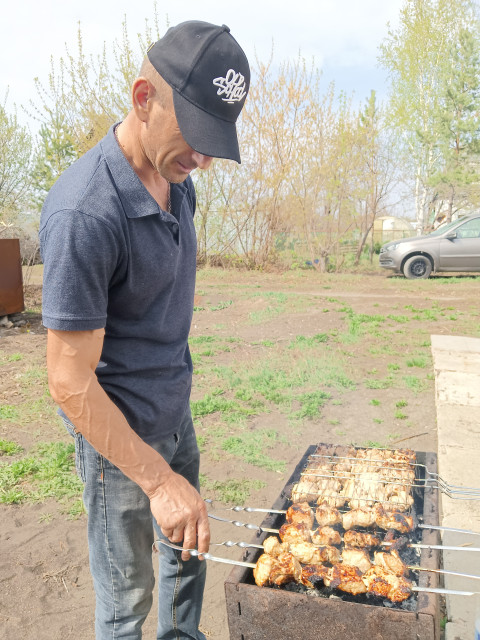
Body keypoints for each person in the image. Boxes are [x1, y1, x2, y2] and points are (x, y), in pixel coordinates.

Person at [39, 20, 250, 640]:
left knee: (187, 560)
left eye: (215, 142)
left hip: (174, 414)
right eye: (195, 137)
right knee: (126, 599)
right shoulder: (85, 212)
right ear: (142, 99)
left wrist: (175, 443)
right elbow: (68, 381)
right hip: (121, 446)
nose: (203, 159)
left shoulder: (178, 183)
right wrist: (156, 479)